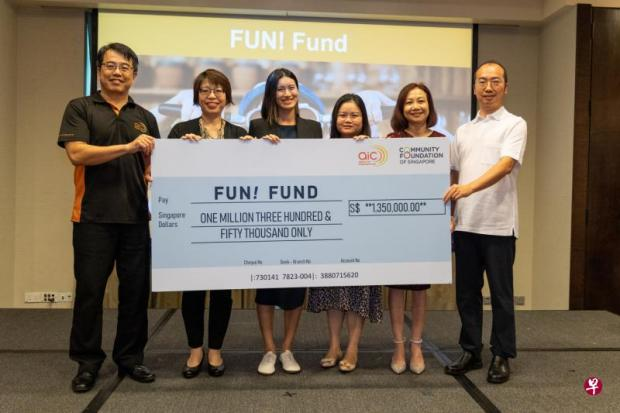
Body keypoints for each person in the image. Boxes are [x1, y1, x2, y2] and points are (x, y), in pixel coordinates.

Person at [57, 43, 158, 393]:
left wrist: (156, 170)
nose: (117, 72)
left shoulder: (144, 116)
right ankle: (87, 363)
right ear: (99, 70)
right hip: (92, 217)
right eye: (111, 66)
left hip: (136, 218)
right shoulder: (81, 108)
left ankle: (130, 358)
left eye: (125, 67)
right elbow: (77, 154)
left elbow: (151, 166)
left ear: (134, 74)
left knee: (135, 294)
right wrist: (128, 147)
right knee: (90, 293)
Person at [443, 60, 527, 384]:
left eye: (495, 81)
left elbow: (505, 166)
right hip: (466, 225)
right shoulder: (464, 131)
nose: (488, 87)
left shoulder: (514, 124)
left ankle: (502, 355)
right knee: (467, 294)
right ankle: (471, 350)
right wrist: (451, 213)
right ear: (474, 87)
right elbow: (454, 173)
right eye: (482, 81)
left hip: (499, 225)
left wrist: (468, 189)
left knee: (502, 295)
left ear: (505, 87)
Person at [168, 69, 251, 378]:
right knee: (192, 290)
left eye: (218, 90)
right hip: (192, 223)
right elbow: (168, 175)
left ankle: (215, 349)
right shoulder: (181, 131)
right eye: (205, 90)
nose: (212, 96)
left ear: (227, 96)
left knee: (222, 292)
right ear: (197, 96)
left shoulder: (240, 134)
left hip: (227, 223)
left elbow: (250, 179)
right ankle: (194, 349)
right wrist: (181, 151)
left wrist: (255, 152)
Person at [248, 68, 322, 375]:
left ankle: (288, 349)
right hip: (267, 217)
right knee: (265, 289)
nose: (287, 93)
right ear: (271, 94)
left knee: (295, 289)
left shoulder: (313, 128)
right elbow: (249, 169)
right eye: (280, 89)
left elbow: (322, 168)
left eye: (291, 87)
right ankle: (269, 350)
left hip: (301, 217)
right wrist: (255, 148)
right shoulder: (257, 126)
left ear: (298, 91)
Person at [307, 94, 382, 374]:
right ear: (334, 119)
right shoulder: (323, 151)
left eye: (354, 115)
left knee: (357, 293)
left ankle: (353, 347)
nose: (348, 120)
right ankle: (334, 345)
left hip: (362, 233)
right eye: (342, 115)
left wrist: (365, 151)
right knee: (332, 292)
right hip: (329, 231)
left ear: (363, 119)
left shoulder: (375, 150)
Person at [386, 83, 445, 375]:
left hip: (426, 227)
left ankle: (417, 345)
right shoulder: (391, 141)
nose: (416, 107)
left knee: (421, 289)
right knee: (397, 288)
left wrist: (450, 217)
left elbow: (450, 183)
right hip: (397, 226)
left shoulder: (441, 141)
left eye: (421, 101)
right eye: (409, 102)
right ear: (401, 108)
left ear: (429, 105)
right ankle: (398, 345)